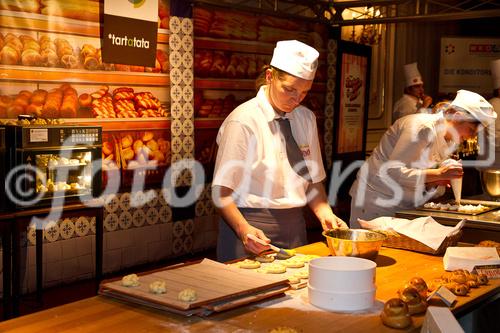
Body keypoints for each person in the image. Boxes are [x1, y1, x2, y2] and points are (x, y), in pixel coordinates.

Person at [212, 40, 347, 262]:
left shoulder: (306, 119)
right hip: (249, 228)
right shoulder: (243, 121)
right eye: (290, 90)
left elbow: (312, 182)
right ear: (269, 77)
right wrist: (243, 230)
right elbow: (221, 193)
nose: (296, 100)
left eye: (304, 92)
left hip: (295, 229)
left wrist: (326, 214)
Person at [349, 90, 497, 227]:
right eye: (471, 130)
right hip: (376, 199)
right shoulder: (422, 127)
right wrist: (438, 174)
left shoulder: (450, 139)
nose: (471, 137)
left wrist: (434, 182)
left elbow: (422, 178)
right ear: (457, 116)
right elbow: (392, 172)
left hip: (405, 205)